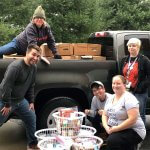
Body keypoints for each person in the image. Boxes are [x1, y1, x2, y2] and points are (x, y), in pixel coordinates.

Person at [0, 44, 41, 149]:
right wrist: (7, 104)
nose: (35, 58)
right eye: (33, 54)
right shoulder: (16, 67)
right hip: (5, 101)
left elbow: (31, 85)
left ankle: (32, 144)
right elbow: (6, 87)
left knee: (31, 118)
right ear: (27, 53)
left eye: (38, 56)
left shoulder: (34, 67)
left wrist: (31, 101)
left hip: (20, 100)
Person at [102, 75, 146, 150]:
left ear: (124, 85)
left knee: (112, 141)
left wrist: (115, 129)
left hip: (134, 130)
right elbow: (104, 114)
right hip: (118, 128)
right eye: (113, 83)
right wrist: (106, 127)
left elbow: (133, 120)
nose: (115, 86)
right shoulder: (110, 98)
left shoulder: (129, 98)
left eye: (118, 83)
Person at [120, 38, 150, 124]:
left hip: (139, 92)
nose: (131, 47)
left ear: (138, 47)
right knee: (127, 113)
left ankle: (141, 134)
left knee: (139, 114)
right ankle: (130, 131)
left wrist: (142, 86)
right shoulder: (124, 60)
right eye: (129, 46)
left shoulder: (144, 60)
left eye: (134, 45)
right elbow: (121, 75)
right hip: (127, 91)